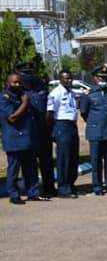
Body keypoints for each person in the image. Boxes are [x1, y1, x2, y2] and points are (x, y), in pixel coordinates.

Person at [0, 71, 44, 204]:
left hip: (28, 138)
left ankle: (33, 193)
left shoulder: (24, 95)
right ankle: (14, 195)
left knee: (31, 168)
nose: (18, 84)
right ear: (8, 83)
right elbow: (12, 118)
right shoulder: (5, 97)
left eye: (20, 82)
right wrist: (25, 104)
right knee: (14, 169)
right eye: (15, 82)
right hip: (14, 139)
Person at [80, 65, 107, 195]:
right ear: (95, 78)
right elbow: (84, 113)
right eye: (101, 77)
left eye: (105, 77)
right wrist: (94, 124)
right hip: (95, 132)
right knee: (96, 161)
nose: (103, 79)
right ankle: (97, 186)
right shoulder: (88, 94)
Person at [18, 62, 55, 196]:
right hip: (27, 132)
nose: (28, 76)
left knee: (47, 161)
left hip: (43, 130)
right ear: (19, 74)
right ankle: (32, 190)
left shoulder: (40, 85)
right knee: (29, 163)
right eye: (25, 73)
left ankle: (49, 189)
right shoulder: (17, 89)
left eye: (30, 73)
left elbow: (49, 107)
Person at [46, 69, 80, 198]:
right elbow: (49, 114)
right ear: (60, 79)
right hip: (61, 125)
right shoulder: (56, 93)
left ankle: (71, 184)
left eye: (70, 78)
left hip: (72, 125)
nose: (69, 80)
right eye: (66, 78)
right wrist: (52, 131)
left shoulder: (71, 92)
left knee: (73, 156)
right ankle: (63, 187)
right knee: (64, 158)